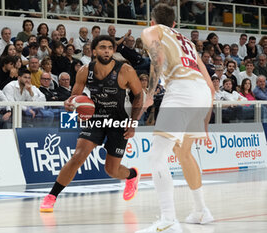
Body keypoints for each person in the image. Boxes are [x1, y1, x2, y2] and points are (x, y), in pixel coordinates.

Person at [39, 35, 143, 212]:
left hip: (118, 121)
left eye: (110, 47)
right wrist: (70, 104)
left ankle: (132, 175)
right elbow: (74, 97)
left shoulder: (125, 70)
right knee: (78, 156)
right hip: (95, 118)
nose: (107, 51)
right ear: (94, 51)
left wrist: (133, 123)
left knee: (111, 170)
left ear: (114, 50)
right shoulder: (85, 71)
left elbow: (139, 95)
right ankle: (51, 196)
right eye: (102, 47)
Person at [137, 4, 215, 232]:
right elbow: (210, 85)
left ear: (153, 22)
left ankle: (168, 219)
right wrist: (205, 123)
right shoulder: (188, 42)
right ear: (174, 24)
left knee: (157, 156)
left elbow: (157, 57)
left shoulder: (152, 31)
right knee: (183, 153)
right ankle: (201, 211)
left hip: (181, 91)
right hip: (200, 93)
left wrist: (150, 95)